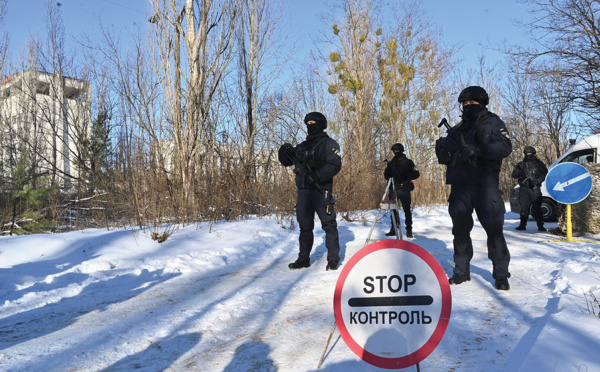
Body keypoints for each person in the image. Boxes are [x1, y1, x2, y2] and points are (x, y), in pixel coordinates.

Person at [435, 86, 513, 291]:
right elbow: (445, 157)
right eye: (465, 103)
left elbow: (505, 147)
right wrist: (445, 148)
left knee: (494, 231)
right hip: (460, 186)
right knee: (460, 231)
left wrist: (478, 150)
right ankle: (461, 271)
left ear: (482, 102)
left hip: (485, 185)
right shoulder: (458, 128)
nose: (468, 106)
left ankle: (501, 275)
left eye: (472, 103)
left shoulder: (493, 122)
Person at [278, 112, 342, 271]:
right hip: (304, 193)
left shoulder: (329, 144)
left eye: (313, 122)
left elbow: (335, 165)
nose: (310, 125)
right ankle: (303, 259)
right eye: (308, 123)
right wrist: (283, 152)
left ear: (321, 123)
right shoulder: (302, 146)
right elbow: (287, 161)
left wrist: (318, 175)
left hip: (322, 192)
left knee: (329, 225)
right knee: (305, 227)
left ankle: (333, 259)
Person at [383, 143, 420, 238]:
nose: (395, 152)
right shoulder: (392, 163)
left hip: (404, 189)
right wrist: (388, 169)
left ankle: (409, 230)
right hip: (393, 189)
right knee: (392, 210)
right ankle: (393, 229)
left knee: (407, 210)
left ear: (401, 150)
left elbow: (416, 174)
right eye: (394, 151)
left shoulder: (409, 162)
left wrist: (407, 178)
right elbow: (386, 176)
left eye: (397, 150)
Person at [512, 146, 548, 231]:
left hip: (534, 188)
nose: (528, 155)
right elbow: (514, 175)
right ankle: (522, 225)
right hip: (524, 189)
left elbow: (545, 174)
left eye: (530, 153)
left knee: (537, 208)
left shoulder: (539, 164)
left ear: (533, 153)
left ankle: (540, 226)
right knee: (524, 208)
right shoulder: (521, 164)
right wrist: (518, 169)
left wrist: (537, 181)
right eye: (527, 153)